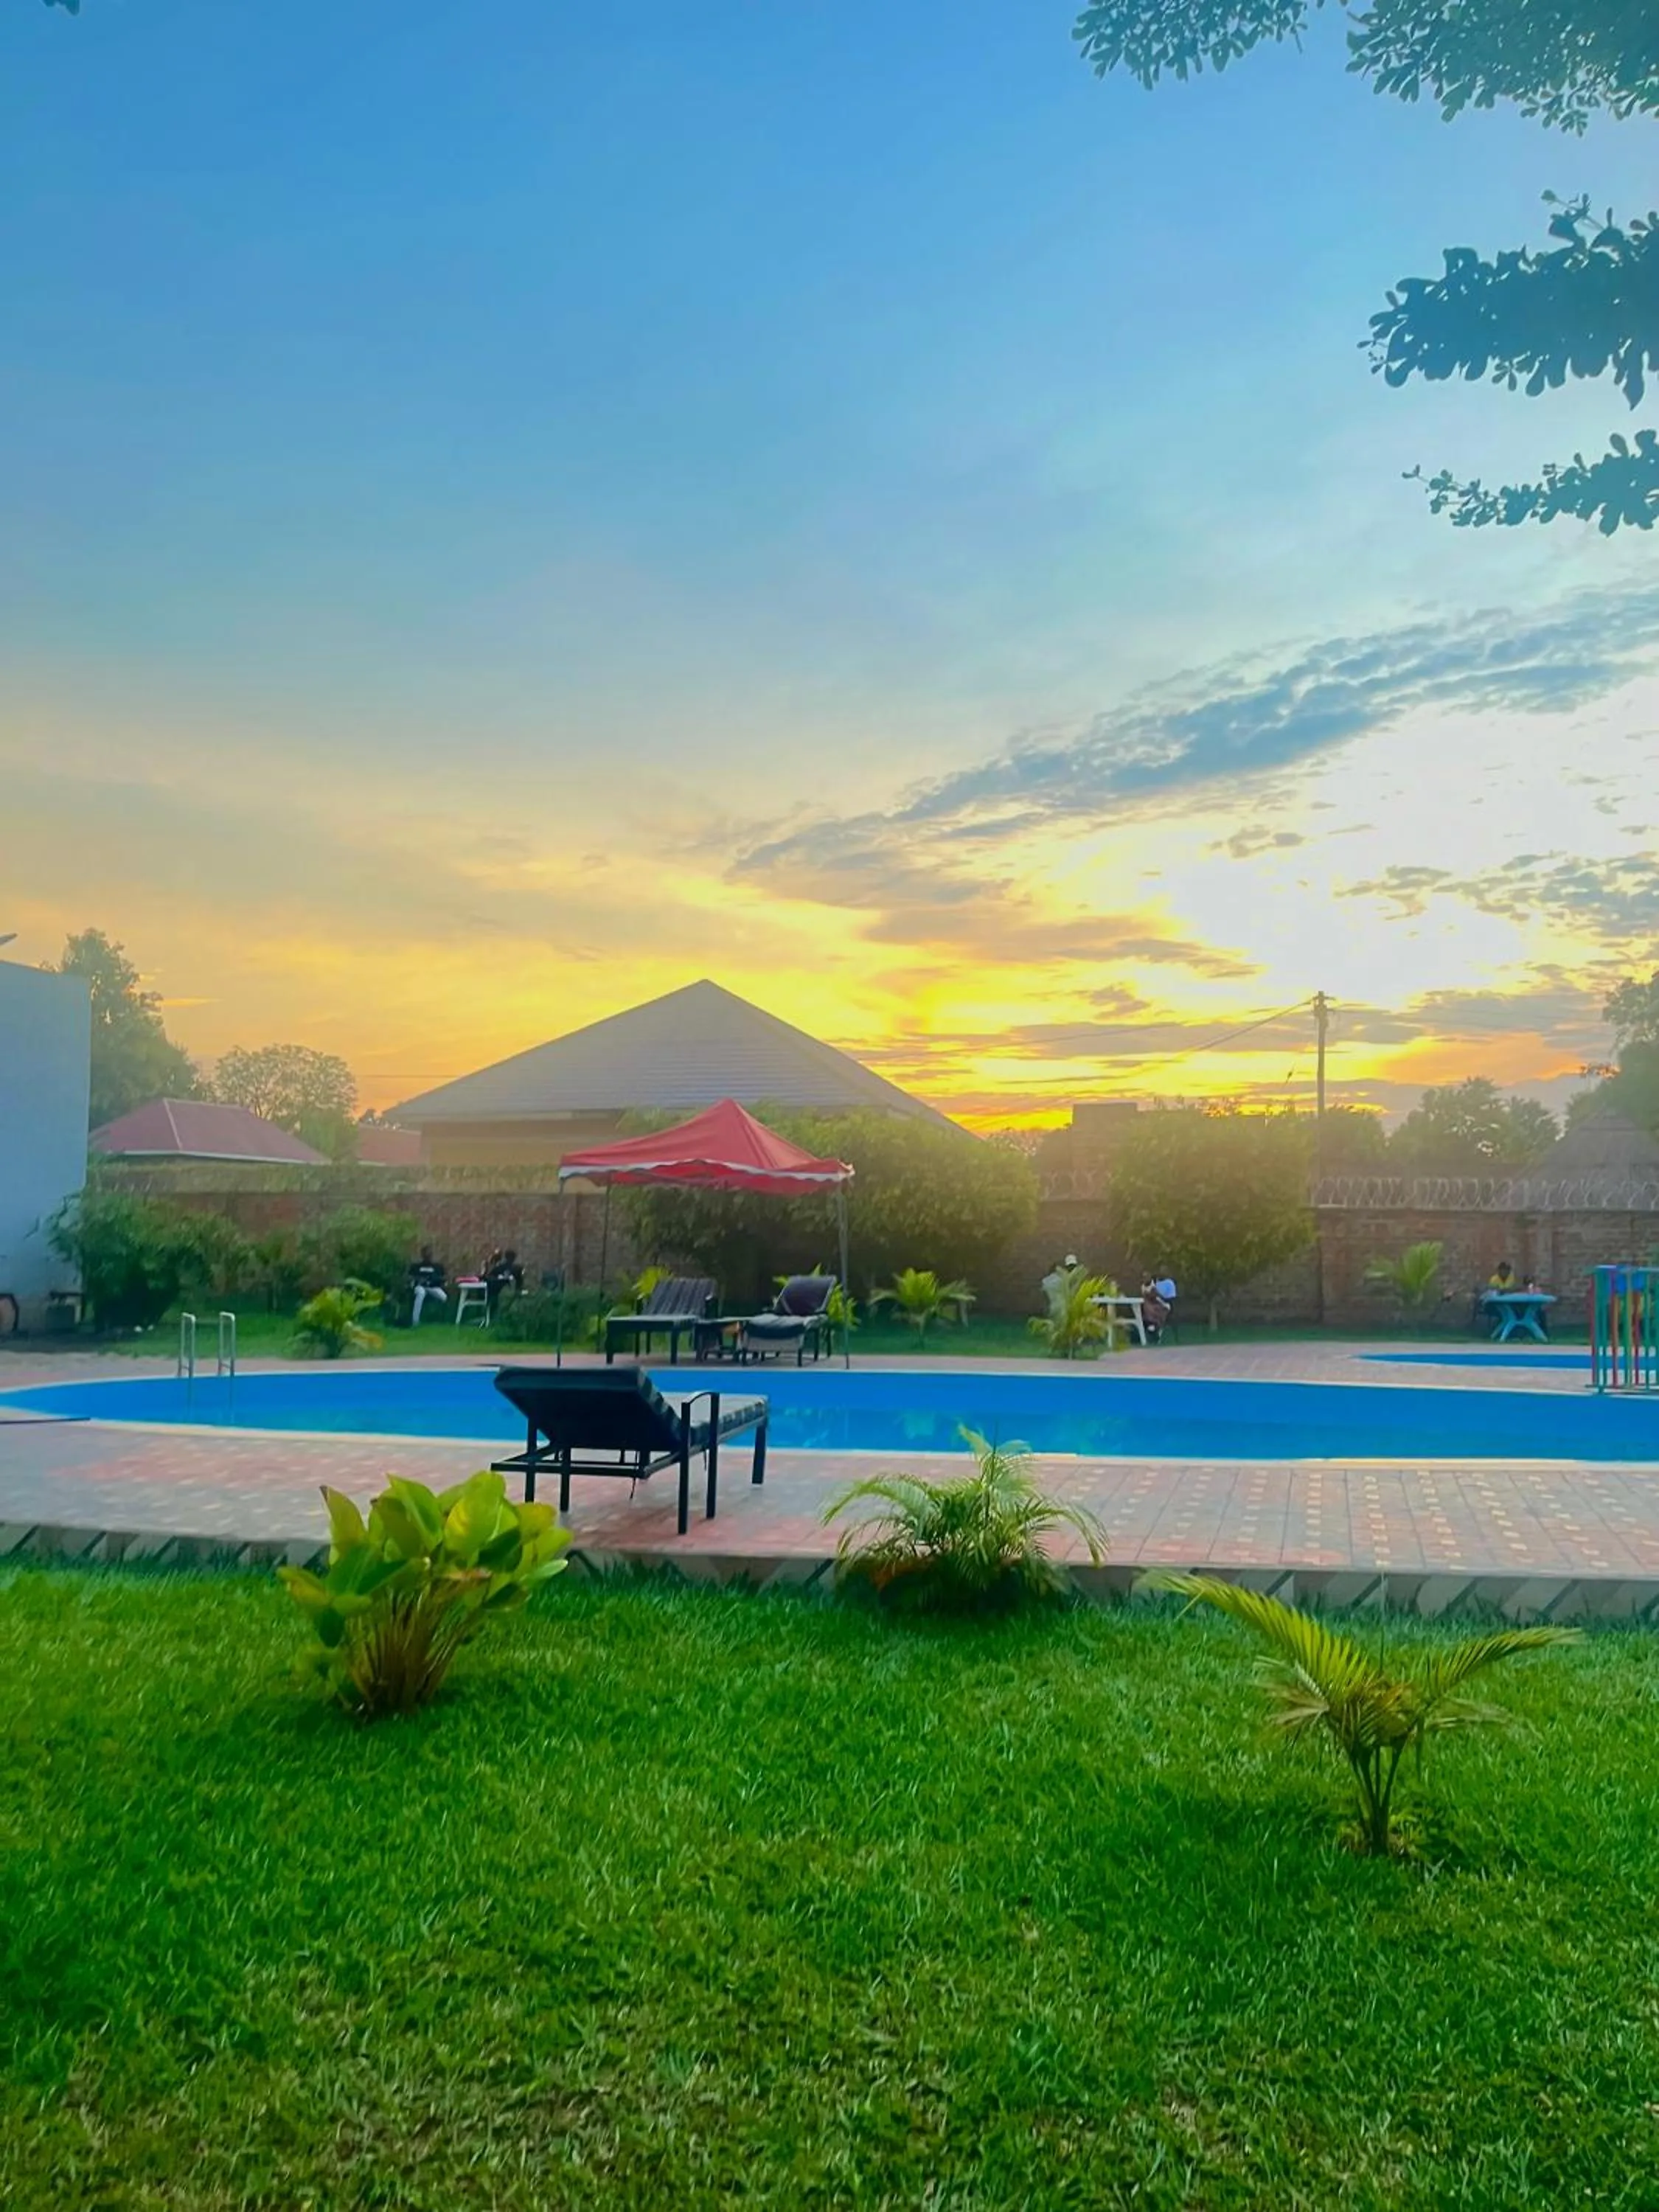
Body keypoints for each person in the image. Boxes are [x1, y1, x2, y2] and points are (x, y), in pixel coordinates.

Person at [408, 1245, 448, 1325]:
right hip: (420, 1287)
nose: (427, 1256)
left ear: (431, 1255)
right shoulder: (416, 1267)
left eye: (429, 1254)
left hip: (433, 1287)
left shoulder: (437, 1267)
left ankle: (436, 1318)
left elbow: (443, 1278)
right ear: (422, 1255)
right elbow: (410, 1277)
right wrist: (418, 1280)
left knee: (444, 1297)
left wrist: (436, 1280)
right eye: (426, 1254)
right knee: (421, 1293)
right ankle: (415, 1320)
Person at [485, 1246, 524, 1319]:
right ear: (515, 1258)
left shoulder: (499, 1268)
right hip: (510, 1292)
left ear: (505, 1257)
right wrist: (519, 1290)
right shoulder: (517, 1269)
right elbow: (520, 1282)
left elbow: (489, 1277)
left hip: (495, 1292)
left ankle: (491, 1317)